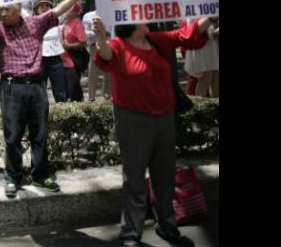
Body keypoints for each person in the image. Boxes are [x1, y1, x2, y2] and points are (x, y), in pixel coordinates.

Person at [91, 15, 215, 247]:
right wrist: (100, 37)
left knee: (165, 174)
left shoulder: (157, 39)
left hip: (164, 119)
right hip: (133, 120)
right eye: (140, 16)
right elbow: (105, 56)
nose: (147, 17)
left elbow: (185, 34)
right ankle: (131, 233)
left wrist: (209, 16)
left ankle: (167, 225)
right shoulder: (118, 45)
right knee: (134, 178)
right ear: (129, 23)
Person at [0, 0, 88, 198]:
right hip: (12, 87)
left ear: (19, 9)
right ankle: (13, 178)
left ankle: (40, 175)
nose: (3, 14)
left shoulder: (34, 23)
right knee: (12, 136)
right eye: (1, 10)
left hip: (37, 86)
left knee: (39, 134)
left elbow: (58, 10)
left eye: (7, 9)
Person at [34, 0, 68, 103]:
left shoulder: (57, 19)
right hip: (38, 61)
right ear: (36, 10)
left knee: (60, 91)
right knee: (38, 91)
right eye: (41, 6)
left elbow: (68, 6)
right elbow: (19, 9)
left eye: (47, 6)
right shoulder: (31, 21)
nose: (44, 8)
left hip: (56, 60)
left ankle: (62, 115)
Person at [183, 18, 219, 98]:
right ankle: (200, 107)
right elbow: (197, 29)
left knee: (215, 79)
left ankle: (215, 106)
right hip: (203, 48)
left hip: (213, 47)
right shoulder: (194, 12)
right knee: (205, 80)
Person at [59, 3, 87, 102]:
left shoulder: (77, 24)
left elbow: (83, 42)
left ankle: (78, 109)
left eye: (69, 10)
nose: (66, 12)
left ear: (75, 12)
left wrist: (68, 46)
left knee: (73, 88)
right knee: (66, 87)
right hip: (62, 60)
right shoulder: (65, 22)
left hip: (73, 60)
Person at [83, 9, 112, 101]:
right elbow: (85, 33)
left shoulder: (110, 13)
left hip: (109, 45)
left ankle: (107, 96)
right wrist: (97, 31)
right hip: (94, 46)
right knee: (93, 72)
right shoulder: (88, 15)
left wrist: (106, 32)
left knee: (109, 72)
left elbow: (113, 30)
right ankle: (91, 97)